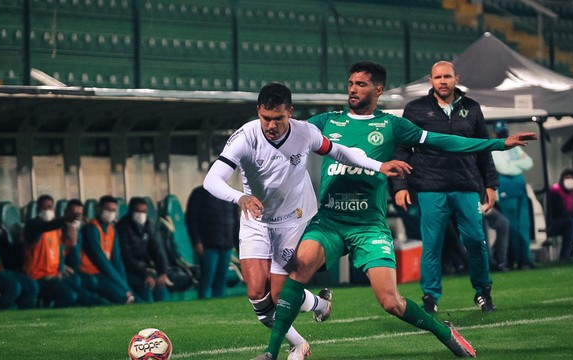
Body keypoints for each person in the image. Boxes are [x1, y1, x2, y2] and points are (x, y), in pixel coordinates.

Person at [253, 62, 536, 360]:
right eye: (350, 83)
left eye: (361, 84)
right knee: (299, 268)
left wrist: (498, 144)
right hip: (330, 221)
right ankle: (271, 353)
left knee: (391, 302)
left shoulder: (391, 125)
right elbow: (283, 131)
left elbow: (444, 142)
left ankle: (445, 332)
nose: (352, 89)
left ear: (378, 89)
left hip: (369, 226)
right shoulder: (327, 121)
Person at [205, 82, 402, 360]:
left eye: (278, 119)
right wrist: (240, 198)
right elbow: (211, 180)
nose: (271, 125)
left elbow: (338, 151)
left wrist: (377, 165)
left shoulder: (305, 132)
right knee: (257, 298)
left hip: (292, 221)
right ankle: (308, 328)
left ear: (291, 113)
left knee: (278, 295)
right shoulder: (245, 137)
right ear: (258, 112)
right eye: (265, 118)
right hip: (255, 219)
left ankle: (299, 339)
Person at [393, 61, 500, 314]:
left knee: (476, 240)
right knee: (432, 245)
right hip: (430, 188)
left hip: (466, 186)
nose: (443, 81)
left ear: (456, 79)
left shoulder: (472, 108)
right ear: (430, 80)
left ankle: (483, 292)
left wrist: (491, 184)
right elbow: (401, 149)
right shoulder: (415, 109)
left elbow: (484, 148)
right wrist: (399, 185)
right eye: (438, 77)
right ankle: (430, 298)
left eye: (447, 76)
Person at [23, 194, 82, 308]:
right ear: (37, 210)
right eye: (43, 208)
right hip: (37, 277)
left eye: (50, 207)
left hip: (54, 275)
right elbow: (46, 226)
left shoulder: (57, 230)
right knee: (69, 295)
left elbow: (61, 253)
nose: (47, 210)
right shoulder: (33, 226)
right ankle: (51, 315)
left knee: (78, 288)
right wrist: (65, 219)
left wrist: (60, 269)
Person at [491, 120, 535, 269]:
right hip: (506, 191)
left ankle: (525, 260)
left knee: (524, 225)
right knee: (512, 227)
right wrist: (518, 165)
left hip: (520, 190)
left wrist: (514, 165)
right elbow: (504, 168)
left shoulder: (515, 147)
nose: (503, 134)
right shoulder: (495, 147)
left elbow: (529, 163)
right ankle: (513, 259)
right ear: (495, 134)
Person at [186, 182, 240, 299]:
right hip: (208, 245)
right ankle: (203, 306)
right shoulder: (199, 194)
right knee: (207, 278)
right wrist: (197, 241)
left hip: (226, 245)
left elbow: (235, 221)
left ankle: (219, 306)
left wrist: (237, 243)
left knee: (221, 278)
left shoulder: (229, 194)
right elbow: (191, 219)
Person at [80, 195, 135, 304]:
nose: (110, 213)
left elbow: (117, 260)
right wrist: (124, 287)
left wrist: (125, 286)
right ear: (99, 209)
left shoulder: (112, 230)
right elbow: (101, 261)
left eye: (113, 210)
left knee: (130, 295)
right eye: (107, 209)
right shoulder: (91, 228)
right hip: (90, 272)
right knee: (123, 297)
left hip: (104, 273)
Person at [117, 197, 173, 303]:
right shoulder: (123, 227)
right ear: (131, 211)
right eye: (138, 211)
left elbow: (157, 250)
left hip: (145, 269)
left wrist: (162, 272)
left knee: (162, 288)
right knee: (146, 287)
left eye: (143, 211)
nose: (141, 214)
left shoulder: (148, 225)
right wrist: (145, 274)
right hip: (129, 271)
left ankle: (167, 316)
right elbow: (126, 257)